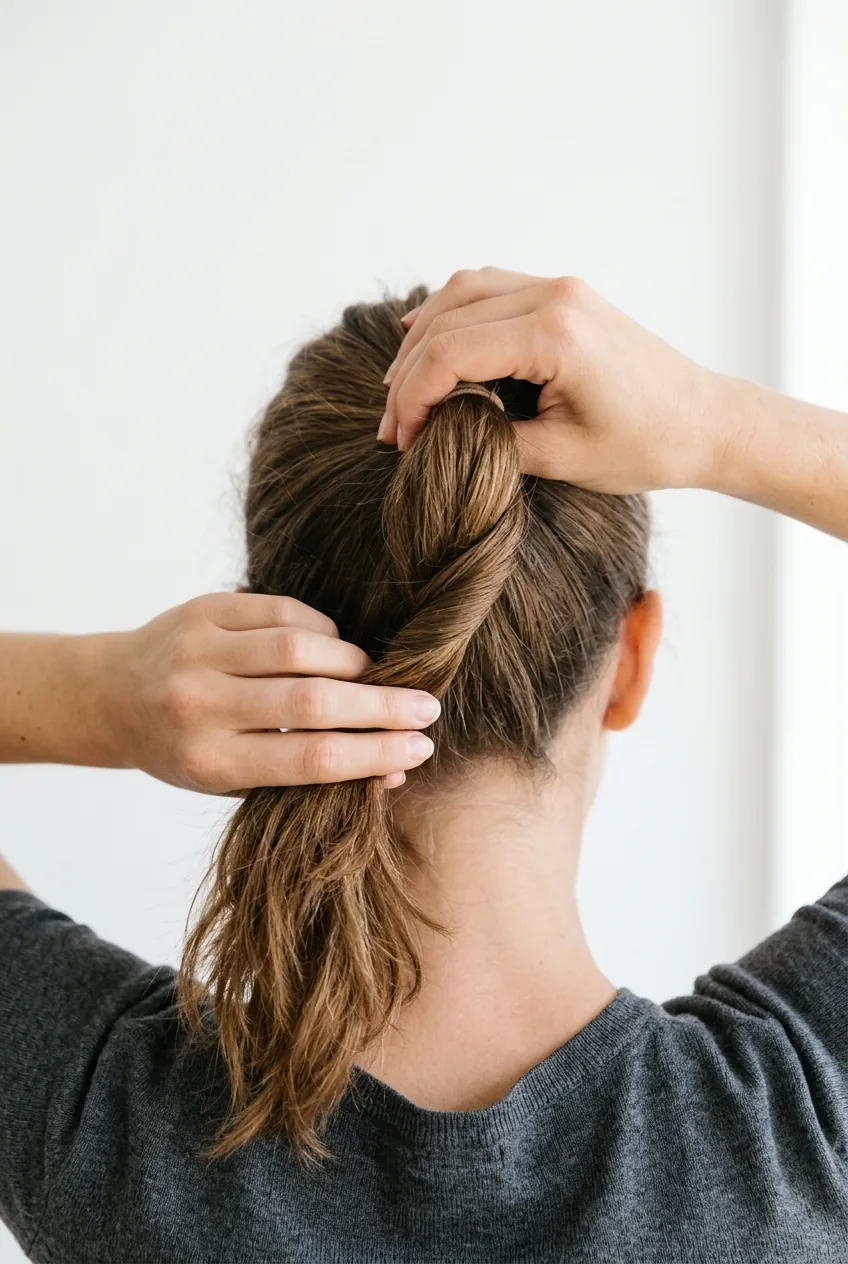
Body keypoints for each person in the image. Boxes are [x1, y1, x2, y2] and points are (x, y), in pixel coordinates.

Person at [0, 267, 845, 1263]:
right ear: (631, 658)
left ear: (253, 639)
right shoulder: (789, 1127)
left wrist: (98, 696)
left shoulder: (104, 1124)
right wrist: (719, 426)